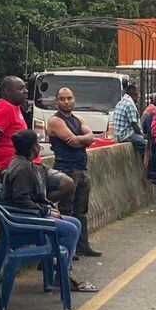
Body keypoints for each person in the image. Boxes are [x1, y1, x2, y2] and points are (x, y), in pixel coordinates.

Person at [0, 130, 97, 293]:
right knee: (70, 229)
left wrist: (48, 208)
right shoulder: (21, 169)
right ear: (35, 149)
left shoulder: (24, 163)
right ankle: (61, 273)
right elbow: (21, 200)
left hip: (29, 214)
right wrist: (45, 211)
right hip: (23, 220)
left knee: (75, 222)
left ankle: (62, 267)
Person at [45, 87, 102, 257]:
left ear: (74, 99)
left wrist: (83, 139)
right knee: (65, 209)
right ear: (57, 101)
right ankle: (66, 248)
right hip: (65, 169)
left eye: (69, 98)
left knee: (81, 210)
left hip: (81, 168)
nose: (66, 101)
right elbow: (73, 142)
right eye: (62, 99)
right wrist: (84, 139)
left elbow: (90, 137)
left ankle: (82, 245)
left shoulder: (78, 119)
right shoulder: (55, 120)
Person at [107, 83, 152, 183]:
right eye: (137, 94)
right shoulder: (130, 104)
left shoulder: (120, 102)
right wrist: (142, 135)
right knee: (148, 146)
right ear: (133, 94)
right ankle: (149, 175)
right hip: (127, 135)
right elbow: (134, 124)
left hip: (119, 135)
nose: (138, 97)